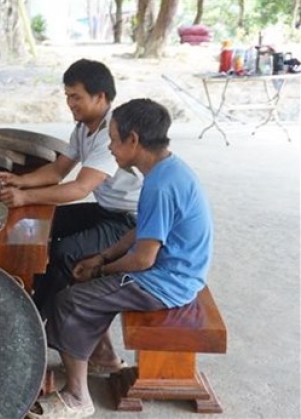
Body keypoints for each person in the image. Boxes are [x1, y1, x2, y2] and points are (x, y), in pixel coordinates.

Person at [30, 99, 213, 418]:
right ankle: (101, 356)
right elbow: (143, 230)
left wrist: (102, 268)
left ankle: (77, 397)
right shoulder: (166, 169)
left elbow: (142, 259)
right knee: (82, 272)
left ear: (134, 140)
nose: (110, 147)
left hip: (167, 282)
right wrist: (101, 257)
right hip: (173, 270)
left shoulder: (161, 184)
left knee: (70, 301)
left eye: (114, 139)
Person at [0, 59, 141, 322]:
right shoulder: (83, 127)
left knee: (66, 252)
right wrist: (20, 181)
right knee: (45, 226)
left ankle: (36, 322)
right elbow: (57, 171)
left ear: (100, 97)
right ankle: (30, 296)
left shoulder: (112, 132)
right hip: (107, 209)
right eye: (68, 96)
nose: (70, 103)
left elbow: (79, 188)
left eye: (76, 97)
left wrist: (25, 196)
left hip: (128, 221)